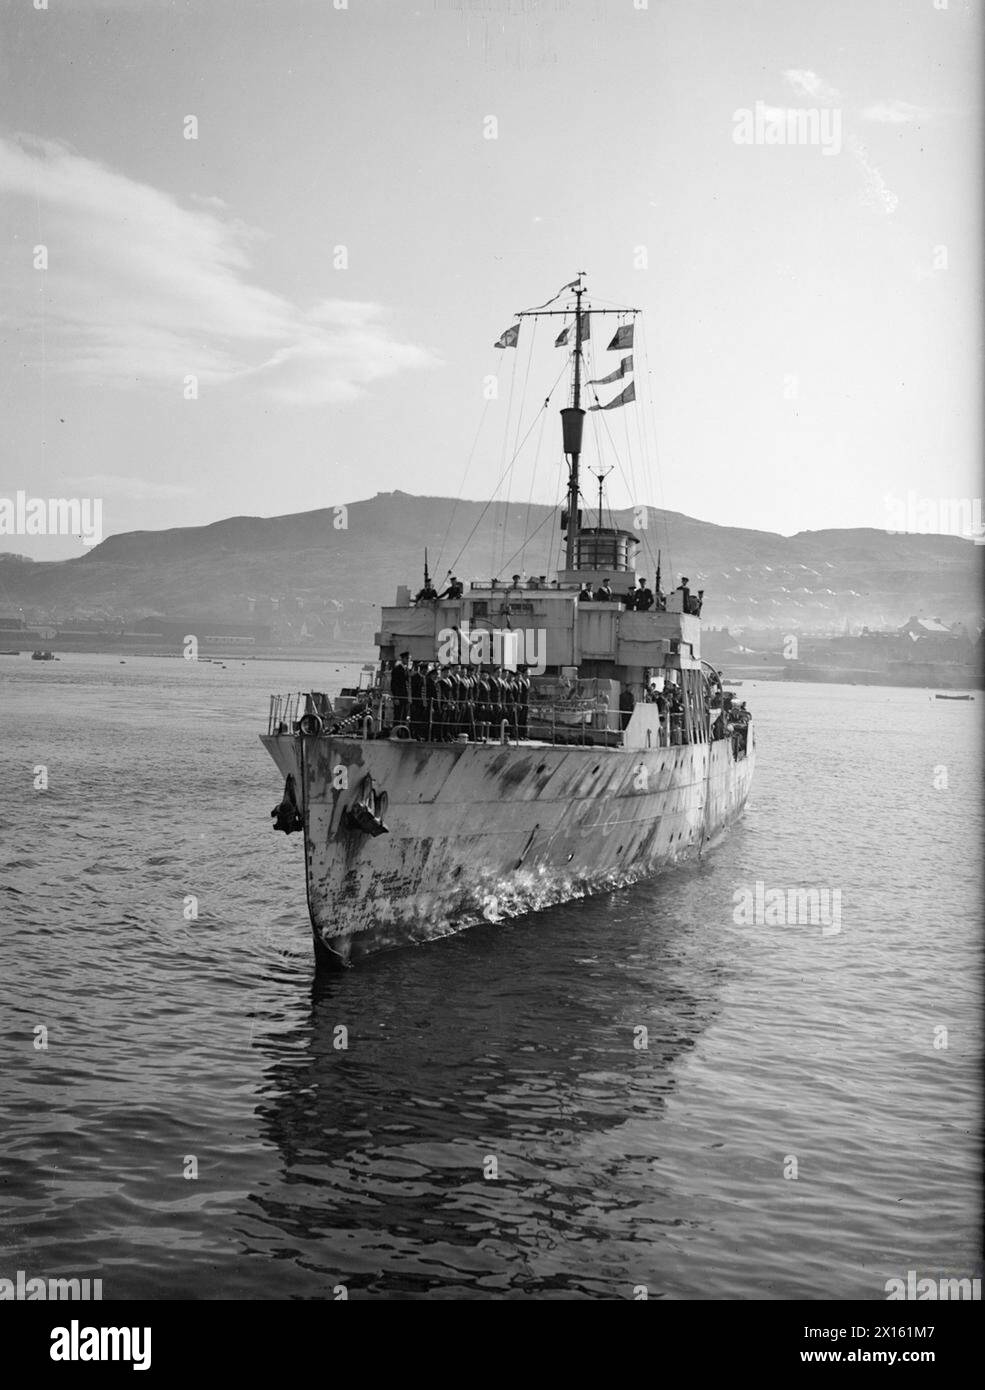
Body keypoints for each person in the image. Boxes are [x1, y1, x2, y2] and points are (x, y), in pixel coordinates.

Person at [390, 651, 410, 725]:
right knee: (398, 715)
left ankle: (402, 733)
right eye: (407, 658)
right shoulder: (397, 669)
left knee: (404, 715)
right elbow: (394, 684)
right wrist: (395, 697)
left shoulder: (407, 670)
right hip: (399, 696)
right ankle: (396, 732)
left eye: (409, 659)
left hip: (405, 696)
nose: (408, 660)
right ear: (403, 659)